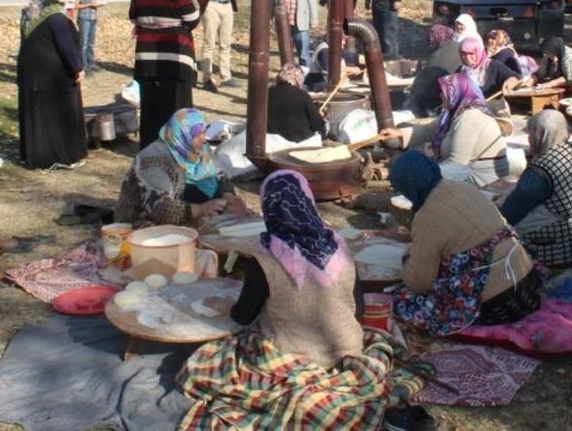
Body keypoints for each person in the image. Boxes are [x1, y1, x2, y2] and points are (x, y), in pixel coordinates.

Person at [179, 170, 417, 431]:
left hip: (292, 358)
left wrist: (225, 305)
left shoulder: (266, 258)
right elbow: (358, 311)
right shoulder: (337, 245)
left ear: (269, 208)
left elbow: (243, 316)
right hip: (348, 347)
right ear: (307, 201)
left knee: (207, 361)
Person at [390, 152, 544, 335]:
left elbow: (419, 283)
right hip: (529, 284)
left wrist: (408, 260)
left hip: (499, 304)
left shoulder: (426, 218)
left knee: (402, 300)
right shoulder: (464, 188)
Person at [498, 111, 572, 269]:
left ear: (540, 135)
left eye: (531, 134)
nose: (528, 139)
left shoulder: (541, 170)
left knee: (499, 232)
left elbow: (510, 213)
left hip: (562, 250)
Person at [115, 108, 246, 225]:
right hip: (144, 227)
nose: (204, 138)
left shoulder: (198, 150)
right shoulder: (153, 160)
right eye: (197, 134)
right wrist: (201, 209)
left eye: (204, 131)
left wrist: (228, 197)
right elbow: (160, 209)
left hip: (192, 222)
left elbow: (219, 175)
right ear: (182, 133)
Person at [130, 0, 200, 147]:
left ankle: (151, 147)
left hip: (147, 58)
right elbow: (192, 18)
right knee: (177, 106)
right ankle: (178, 147)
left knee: (151, 106)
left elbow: (133, 16)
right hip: (174, 57)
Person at [17, 0, 87, 170]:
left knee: (39, 114)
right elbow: (66, 46)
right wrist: (77, 68)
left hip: (31, 72)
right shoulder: (56, 17)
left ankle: (35, 156)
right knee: (58, 114)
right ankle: (62, 156)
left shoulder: (30, 12)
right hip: (53, 75)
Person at [395, 73, 515, 186]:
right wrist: (398, 134)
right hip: (465, 172)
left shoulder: (470, 117)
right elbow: (428, 130)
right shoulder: (452, 114)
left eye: (445, 91)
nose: (440, 95)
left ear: (457, 92)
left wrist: (422, 173)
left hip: (481, 179)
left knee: (415, 173)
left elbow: (457, 165)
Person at [406, 24, 462, 117]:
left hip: (442, 94)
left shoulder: (436, 55)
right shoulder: (459, 45)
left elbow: (426, 78)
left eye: (430, 39)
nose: (429, 41)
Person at [266, 64, 327, 143]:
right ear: (297, 78)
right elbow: (317, 125)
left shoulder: (266, 93)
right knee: (325, 126)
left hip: (270, 140)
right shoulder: (302, 95)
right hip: (299, 142)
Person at [72, 0, 103, 75]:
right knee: (83, 44)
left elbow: (94, 2)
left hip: (93, 18)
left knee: (91, 43)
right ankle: (84, 66)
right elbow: (76, 5)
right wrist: (90, 4)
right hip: (84, 19)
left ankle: (91, 63)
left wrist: (97, 4)